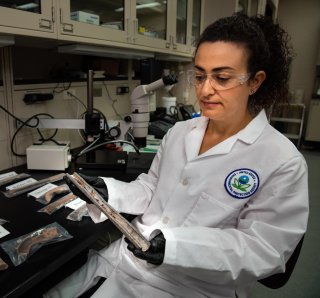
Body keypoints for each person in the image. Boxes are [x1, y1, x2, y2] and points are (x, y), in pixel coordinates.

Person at [44, 13, 309, 298]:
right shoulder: (181, 132)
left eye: (221, 78)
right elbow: (152, 189)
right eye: (199, 76)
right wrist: (108, 192)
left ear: (255, 82)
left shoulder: (282, 161)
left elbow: (264, 250)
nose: (205, 90)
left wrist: (175, 247)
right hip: (125, 257)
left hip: (191, 285)